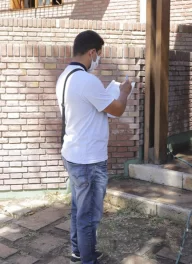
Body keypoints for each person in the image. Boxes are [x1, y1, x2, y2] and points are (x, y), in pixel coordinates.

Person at [56, 30, 132, 264]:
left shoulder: (65, 76)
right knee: (89, 215)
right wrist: (124, 92)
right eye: (99, 54)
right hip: (89, 160)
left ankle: (78, 252)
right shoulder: (87, 80)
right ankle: (88, 260)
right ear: (91, 52)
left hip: (73, 153)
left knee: (79, 209)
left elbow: (86, 111)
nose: (98, 58)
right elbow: (117, 109)